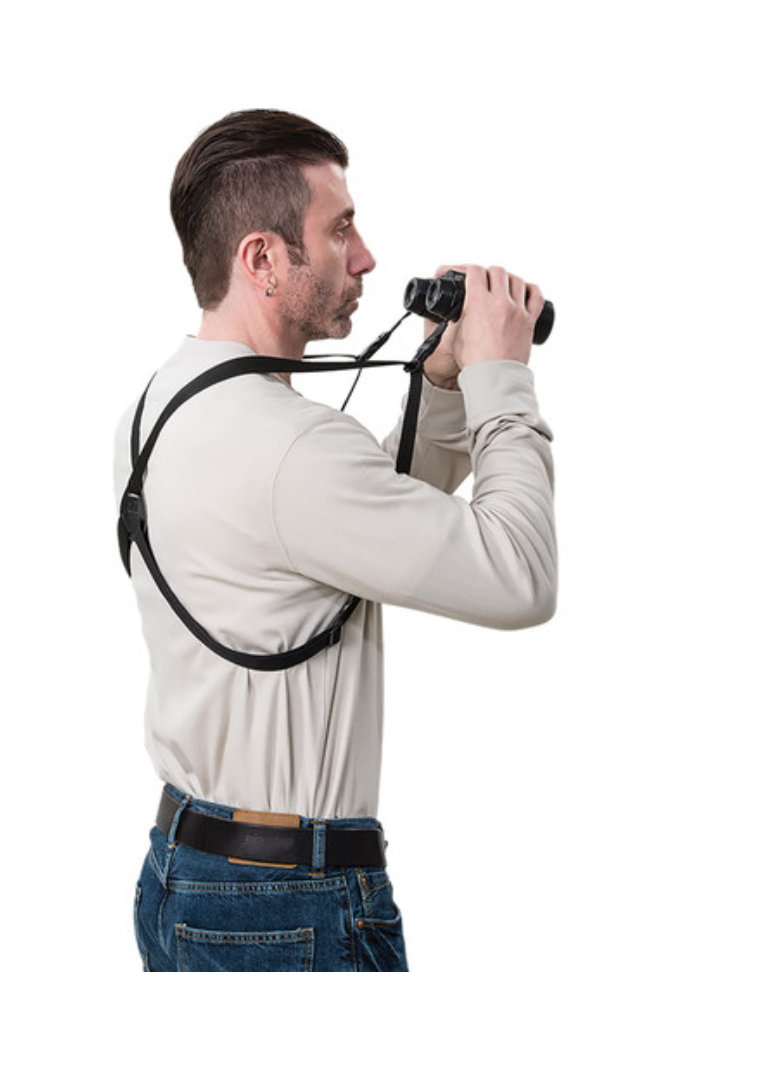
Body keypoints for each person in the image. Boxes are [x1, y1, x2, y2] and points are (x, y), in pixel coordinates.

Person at [114, 109, 556, 971]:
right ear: (262, 259)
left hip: (184, 873)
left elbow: (346, 535)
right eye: (341, 229)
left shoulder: (163, 403)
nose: (366, 258)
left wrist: (442, 385)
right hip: (290, 904)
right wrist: (501, 377)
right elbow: (521, 578)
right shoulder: (294, 448)